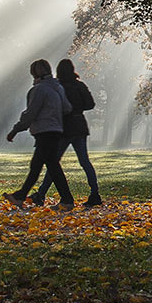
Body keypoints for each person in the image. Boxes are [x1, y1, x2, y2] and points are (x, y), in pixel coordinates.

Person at [4, 59, 74, 210]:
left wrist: (15, 130)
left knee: (52, 167)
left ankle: (67, 200)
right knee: (37, 166)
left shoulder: (39, 90)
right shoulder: (58, 88)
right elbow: (67, 108)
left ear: (35, 74)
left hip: (44, 130)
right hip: (55, 130)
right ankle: (20, 196)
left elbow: (30, 114)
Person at [35, 57, 102, 208]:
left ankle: (41, 194)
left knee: (54, 163)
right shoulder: (80, 86)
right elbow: (90, 104)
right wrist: (78, 107)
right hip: (79, 125)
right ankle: (95, 193)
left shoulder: (58, 87)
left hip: (63, 127)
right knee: (84, 161)